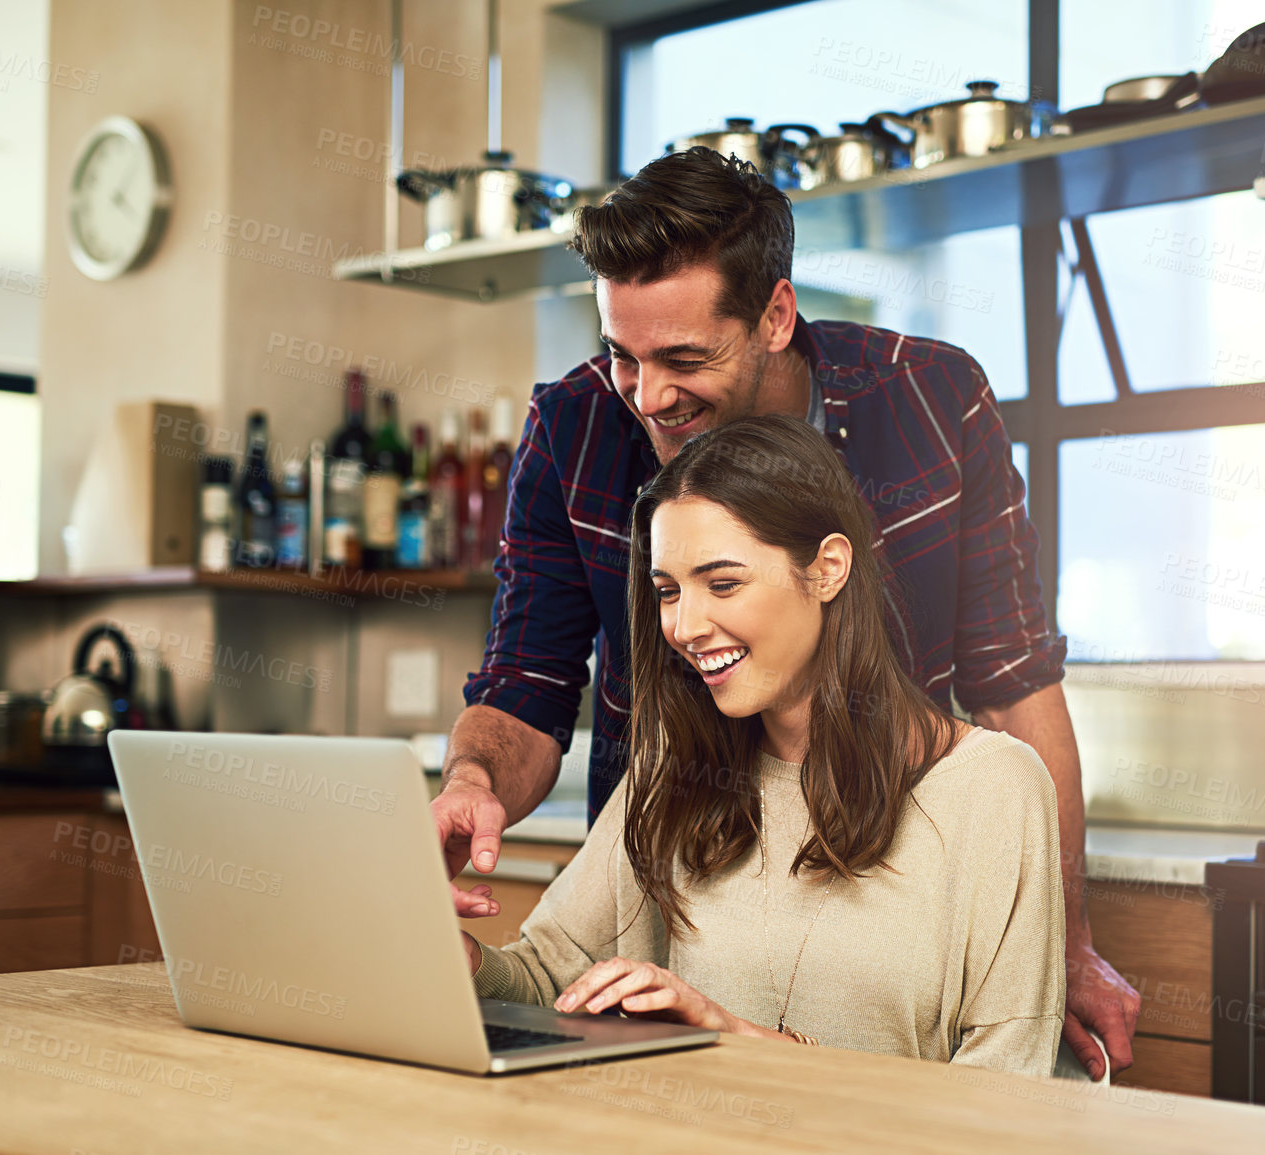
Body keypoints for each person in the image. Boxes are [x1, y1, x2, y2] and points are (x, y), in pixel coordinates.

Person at [438, 147, 1138, 1079]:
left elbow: (1012, 678)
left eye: (683, 358)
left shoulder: (927, 402)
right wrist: (470, 791)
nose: (647, 397)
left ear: (775, 316)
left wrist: (1058, 941)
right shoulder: (575, 427)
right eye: (622, 358)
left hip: (900, 842)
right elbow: (525, 681)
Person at [461, 416, 1065, 1075]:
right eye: (667, 591)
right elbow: (552, 977)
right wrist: (464, 962)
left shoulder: (993, 787)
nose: (684, 626)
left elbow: (1008, 1096)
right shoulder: (676, 762)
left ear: (829, 568)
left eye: (723, 583)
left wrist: (742, 1042)